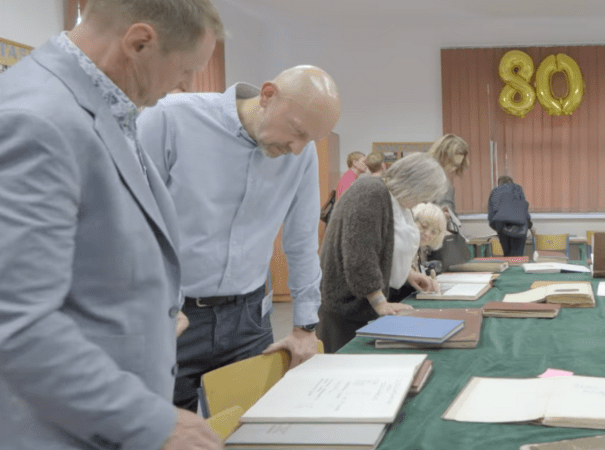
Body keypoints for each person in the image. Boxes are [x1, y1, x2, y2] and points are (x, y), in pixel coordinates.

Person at [0, 1, 224, 448]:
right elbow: (17, 322)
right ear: (139, 43)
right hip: (63, 427)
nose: (186, 85)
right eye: (186, 70)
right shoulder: (38, 120)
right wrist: (152, 422)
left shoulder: (103, 104)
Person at [138, 65, 341, 411]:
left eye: (309, 140)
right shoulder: (169, 120)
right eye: (296, 131)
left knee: (252, 427)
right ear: (267, 95)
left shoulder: (301, 155)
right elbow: (129, 222)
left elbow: (303, 240)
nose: (297, 149)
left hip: (248, 319)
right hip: (170, 317)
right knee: (165, 429)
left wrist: (306, 325)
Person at [319, 153, 448, 352]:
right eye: (423, 194)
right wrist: (380, 302)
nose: (422, 200)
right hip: (346, 309)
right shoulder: (371, 191)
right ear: (414, 184)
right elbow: (360, 253)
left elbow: (385, 249)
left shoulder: (393, 201)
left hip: (361, 305)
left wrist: (408, 275)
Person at [427, 134, 470, 220]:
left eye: (457, 165)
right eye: (451, 163)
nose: (454, 169)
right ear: (442, 155)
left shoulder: (446, 184)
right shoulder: (427, 178)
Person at [488, 175, 533, 256]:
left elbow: (491, 215)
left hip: (502, 226)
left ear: (499, 183)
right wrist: (529, 225)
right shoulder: (517, 189)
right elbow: (523, 209)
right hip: (519, 226)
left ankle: (508, 262)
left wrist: (496, 227)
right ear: (511, 182)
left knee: (507, 254)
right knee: (517, 255)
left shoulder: (495, 191)